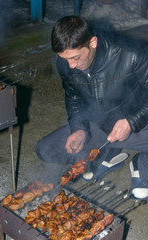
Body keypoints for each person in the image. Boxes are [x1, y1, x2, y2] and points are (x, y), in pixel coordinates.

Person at [36, 15, 148, 200]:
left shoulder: (133, 53)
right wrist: (79, 129)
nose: (71, 65)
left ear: (92, 42)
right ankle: (107, 152)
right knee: (45, 150)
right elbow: (73, 98)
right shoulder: (66, 63)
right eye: (65, 59)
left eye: (76, 57)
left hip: (140, 124)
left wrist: (131, 121)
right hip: (100, 126)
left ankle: (141, 164)